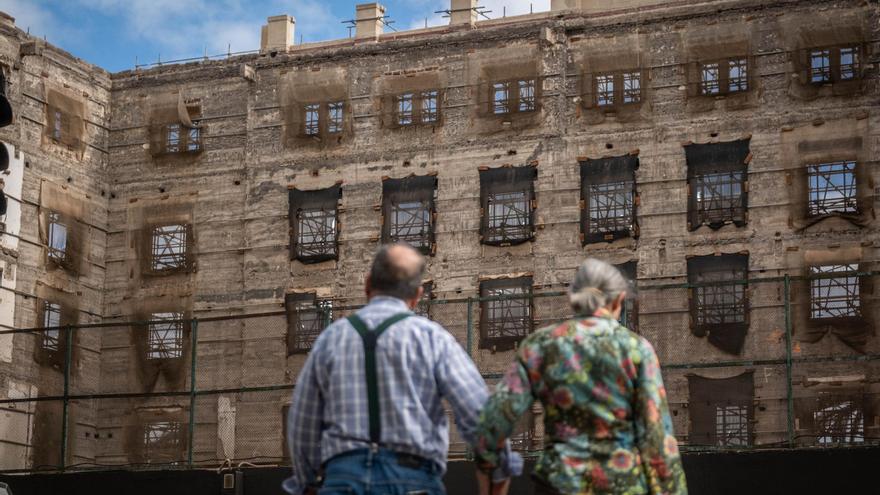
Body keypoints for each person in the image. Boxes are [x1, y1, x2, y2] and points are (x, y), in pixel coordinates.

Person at [284, 243, 521, 495]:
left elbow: (303, 421)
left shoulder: (330, 339)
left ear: (367, 284)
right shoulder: (432, 338)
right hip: (412, 479)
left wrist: (307, 481)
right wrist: (498, 471)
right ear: (417, 295)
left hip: (342, 478)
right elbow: (480, 415)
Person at [473, 259, 688, 494]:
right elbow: (656, 436)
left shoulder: (540, 345)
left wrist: (493, 474)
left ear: (573, 299)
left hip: (559, 484)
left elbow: (494, 422)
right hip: (622, 484)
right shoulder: (637, 349)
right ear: (618, 299)